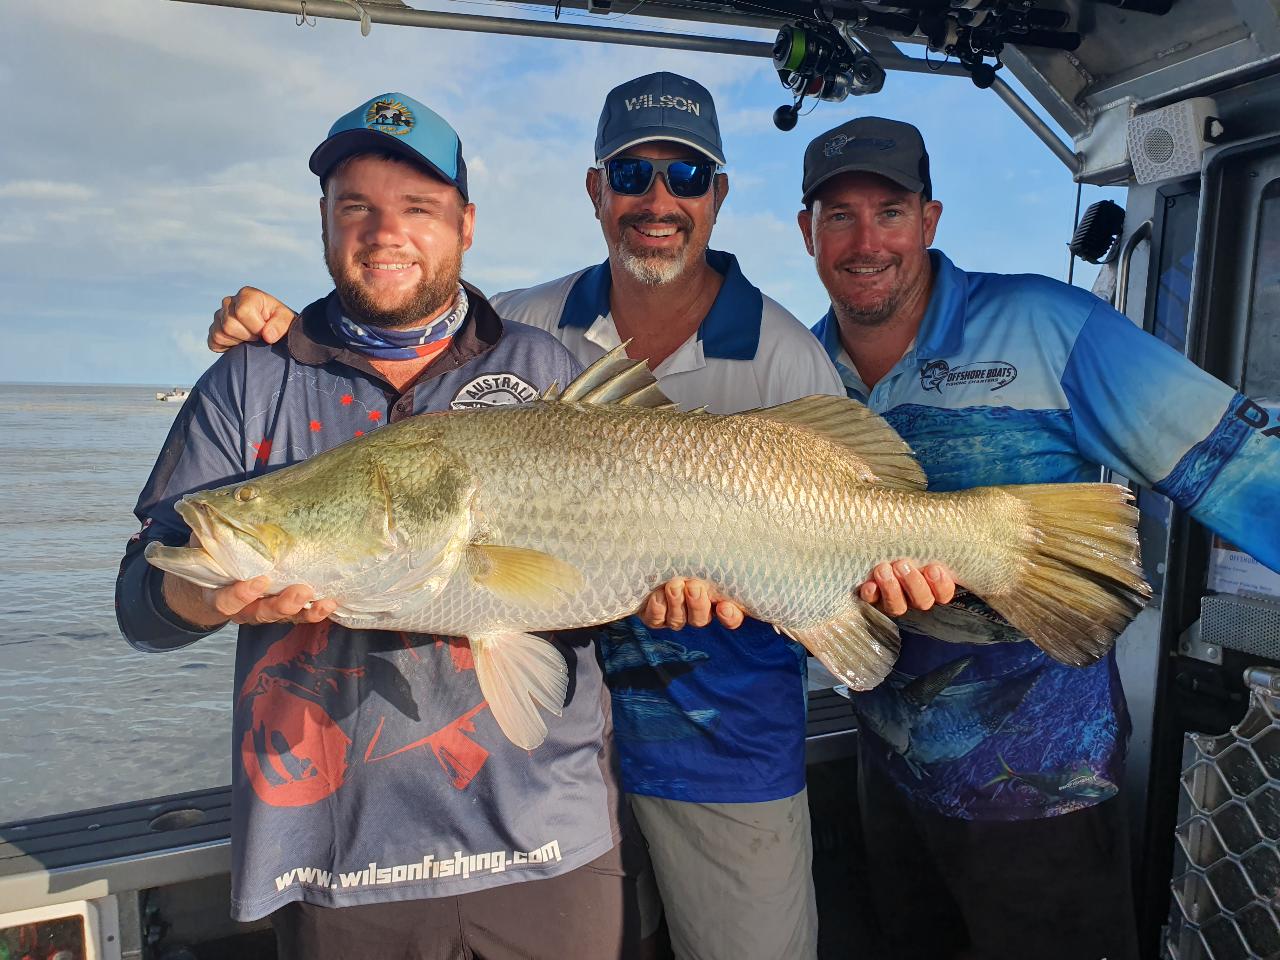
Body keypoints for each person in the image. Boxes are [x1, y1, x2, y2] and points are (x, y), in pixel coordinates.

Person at [203, 73, 956, 960]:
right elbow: (406, 320)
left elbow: (838, 530)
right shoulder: (526, 324)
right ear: (597, 191)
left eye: (684, 176)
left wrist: (894, 566)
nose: (658, 200)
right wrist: (289, 330)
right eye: (632, 175)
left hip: (718, 745)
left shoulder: (789, 353)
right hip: (561, 773)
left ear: (717, 195)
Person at [116, 92, 654, 960]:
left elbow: (590, 586)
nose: (383, 232)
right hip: (338, 861)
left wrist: (674, 575)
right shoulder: (249, 382)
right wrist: (209, 596)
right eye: (355, 207)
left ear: (466, 224)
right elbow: (139, 603)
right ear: (325, 221)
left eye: (419, 209)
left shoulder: (549, 370)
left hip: (549, 847)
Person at [794, 116, 1280, 960]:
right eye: (839, 215)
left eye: (890, 212)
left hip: (1044, 792)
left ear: (930, 220)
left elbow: (1233, 462)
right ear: (807, 231)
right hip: (893, 775)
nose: (866, 241)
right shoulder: (796, 370)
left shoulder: (1047, 324)